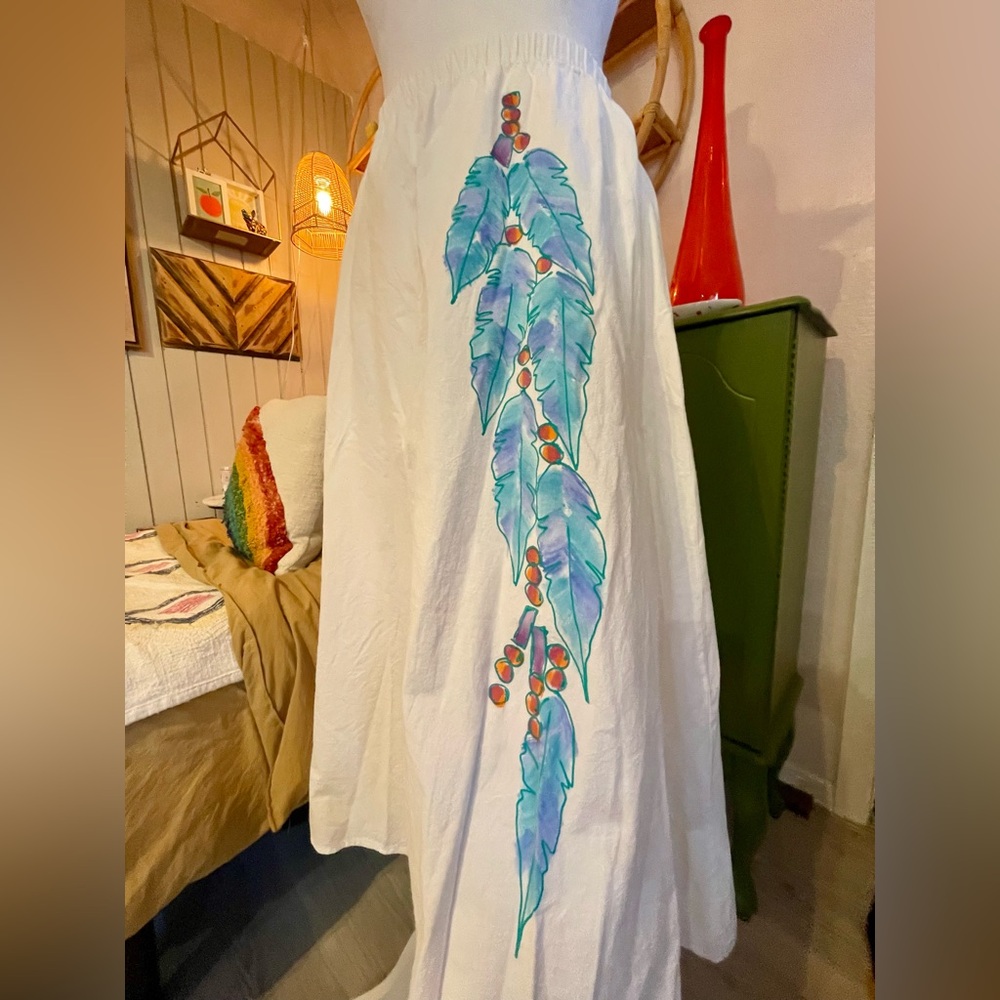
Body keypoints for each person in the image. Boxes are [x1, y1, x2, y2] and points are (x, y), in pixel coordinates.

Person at [309, 3, 736, 997]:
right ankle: (480, 940)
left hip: (562, 154)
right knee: (434, 606)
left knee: (600, 638)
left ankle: (585, 947)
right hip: (420, 196)